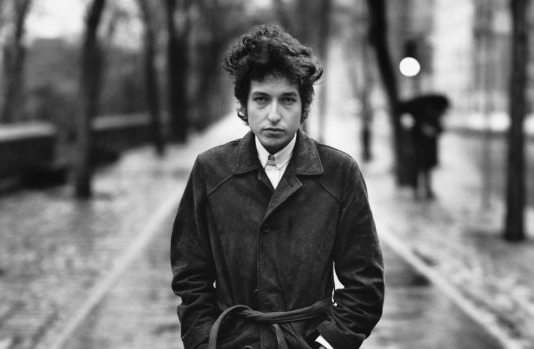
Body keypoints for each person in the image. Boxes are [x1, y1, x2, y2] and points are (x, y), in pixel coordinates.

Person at [171, 25, 384, 349]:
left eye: (287, 100)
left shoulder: (339, 173)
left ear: (304, 107)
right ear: (243, 105)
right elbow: (191, 275)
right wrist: (203, 341)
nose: (274, 115)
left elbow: (364, 284)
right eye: (261, 99)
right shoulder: (211, 170)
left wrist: (327, 344)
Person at [401, 94, 450, 199]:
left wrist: (433, 131)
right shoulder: (427, 112)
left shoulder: (426, 112)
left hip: (425, 146)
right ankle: (421, 191)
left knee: (424, 169)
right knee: (421, 168)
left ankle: (423, 190)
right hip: (421, 146)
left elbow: (439, 128)